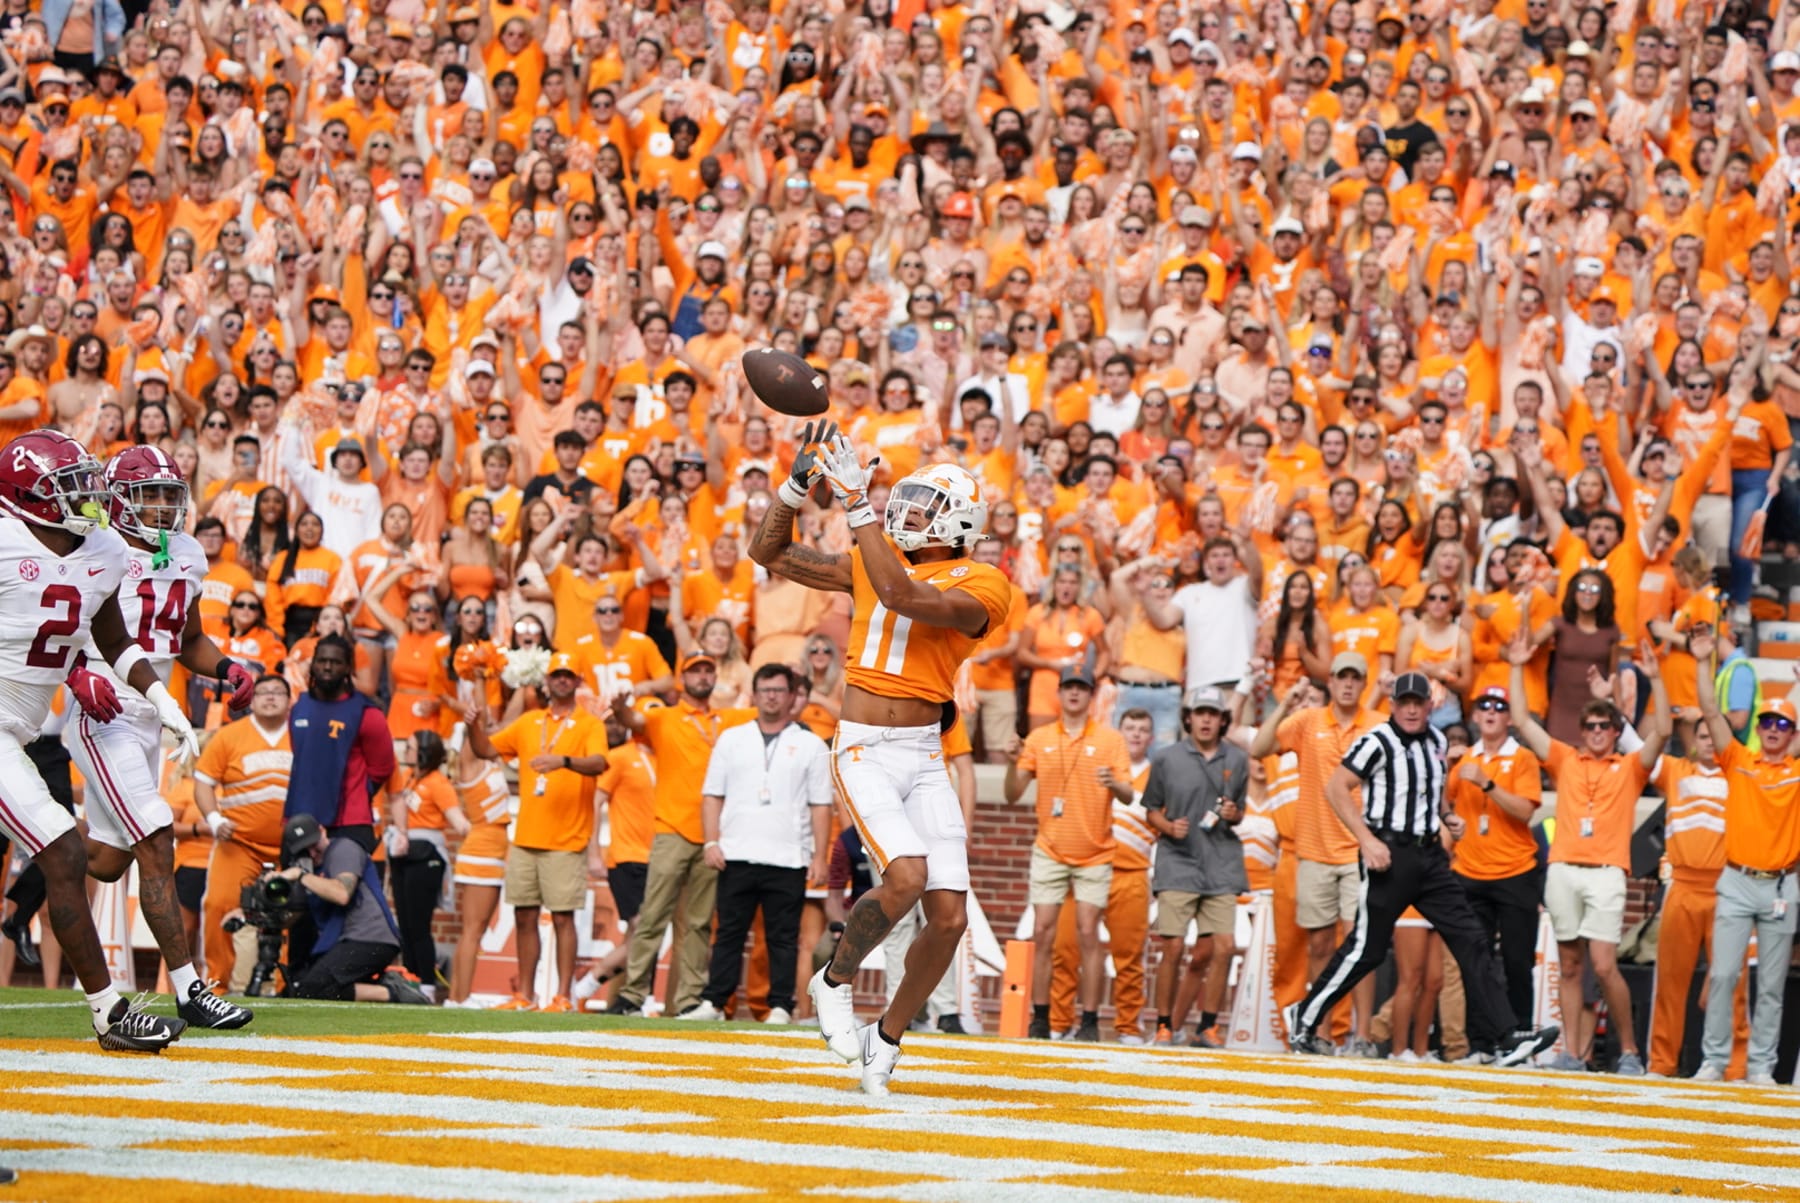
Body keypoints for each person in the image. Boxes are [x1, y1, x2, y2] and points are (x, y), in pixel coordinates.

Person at [748, 425, 1010, 1094]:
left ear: (960, 520)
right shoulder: (872, 554)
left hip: (923, 754)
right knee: (909, 875)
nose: (909, 509)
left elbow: (904, 596)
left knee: (949, 916)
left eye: (925, 502)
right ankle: (834, 979)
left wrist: (859, 506)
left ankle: (886, 1039)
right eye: (909, 497)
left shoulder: (984, 580)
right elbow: (768, 548)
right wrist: (796, 484)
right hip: (863, 745)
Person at [0, 429, 195, 1051]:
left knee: (72, 854)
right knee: (64, 853)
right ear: (28, 494)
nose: (87, 495)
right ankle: (111, 1012)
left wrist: (161, 698)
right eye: (70, 485)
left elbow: (110, 638)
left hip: (21, 730)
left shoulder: (104, 548)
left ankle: (110, 1012)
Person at [65, 446, 255, 1031]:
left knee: (103, 862)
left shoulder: (190, 553)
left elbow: (187, 637)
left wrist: (226, 668)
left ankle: (35, 870)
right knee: (156, 836)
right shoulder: (95, 547)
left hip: (155, 716)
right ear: (118, 499)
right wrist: (78, 674)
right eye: (148, 493)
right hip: (104, 710)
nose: (160, 505)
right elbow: (59, 627)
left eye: (169, 494)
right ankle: (190, 990)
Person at [1284, 670, 1560, 1069]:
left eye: (1419, 702)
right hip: (1388, 854)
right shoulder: (1376, 740)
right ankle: (1305, 1016)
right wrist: (1366, 840)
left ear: (1431, 705)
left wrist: (1447, 817)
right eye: (1404, 702)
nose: (1412, 710)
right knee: (1368, 949)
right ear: (1393, 705)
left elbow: (1431, 790)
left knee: (1471, 938)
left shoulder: (1437, 739)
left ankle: (1506, 1036)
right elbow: (1335, 787)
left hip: (1429, 857)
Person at [1506, 631, 1667, 1075]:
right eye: (1590, 726)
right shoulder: (1564, 759)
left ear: (1616, 733)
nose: (1597, 733)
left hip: (1607, 871)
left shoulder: (1629, 767)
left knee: (1604, 963)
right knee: (1571, 965)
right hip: (1563, 870)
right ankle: (1572, 1054)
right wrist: (1518, 665)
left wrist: (1656, 678)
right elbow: (1521, 719)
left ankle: (1629, 1050)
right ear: (1582, 732)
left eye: (1605, 727)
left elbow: (1665, 732)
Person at [680, 665, 832, 1024]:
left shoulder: (810, 743)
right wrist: (711, 841)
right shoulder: (732, 739)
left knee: (782, 937)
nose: (771, 696)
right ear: (755, 692)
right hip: (737, 851)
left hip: (788, 855)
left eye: (779, 690)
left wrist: (819, 856)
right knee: (729, 932)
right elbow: (712, 795)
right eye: (765, 689)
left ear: (793, 695)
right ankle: (715, 1002)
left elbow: (821, 804)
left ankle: (780, 1004)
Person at [607, 651, 756, 1017]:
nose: (702, 676)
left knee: (699, 923)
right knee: (652, 916)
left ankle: (689, 999)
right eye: (695, 671)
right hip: (672, 830)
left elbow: (778, 714)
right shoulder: (664, 717)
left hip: (713, 834)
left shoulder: (731, 718)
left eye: (708, 670)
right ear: (681, 679)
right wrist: (619, 705)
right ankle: (632, 994)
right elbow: (631, 718)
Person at [1249, 652, 1383, 1055]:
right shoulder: (1308, 722)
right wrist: (1286, 705)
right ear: (1331, 681)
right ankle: (1319, 1032)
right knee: (1321, 946)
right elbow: (1259, 747)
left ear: (1362, 683)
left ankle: (1361, 1036)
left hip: (1360, 851)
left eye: (1354, 677)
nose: (1347, 684)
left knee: (1361, 946)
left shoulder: (1378, 724)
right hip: (1313, 851)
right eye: (1341, 676)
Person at [465, 652, 609, 1012]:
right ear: (546, 681)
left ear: (577, 682)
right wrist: (472, 726)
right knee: (524, 916)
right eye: (556, 675)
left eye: (568, 675)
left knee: (563, 918)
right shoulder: (530, 722)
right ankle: (524, 996)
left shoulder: (589, 725)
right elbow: (485, 749)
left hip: (566, 839)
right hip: (527, 838)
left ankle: (563, 996)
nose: (561, 680)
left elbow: (599, 763)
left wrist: (563, 762)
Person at [1688, 627, 1800, 1086]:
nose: (1773, 730)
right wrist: (1700, 662)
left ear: (1792, 733)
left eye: (1783, 724)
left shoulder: (1797, 772)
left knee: (1771, 987)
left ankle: (1760, 1066)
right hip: (1736, 880)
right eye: (1768, 722)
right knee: (1724, 974)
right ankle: (1714, 1060)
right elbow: (1711, 712)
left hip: (1781, 884)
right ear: (1756, 728)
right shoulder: (1738, 761)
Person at [1003, 664, 1133, 1040]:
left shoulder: (1110, 740)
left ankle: (1089, 1020)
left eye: (1082, 688)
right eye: (1068, 688)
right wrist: (1013, 761)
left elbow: (1128, 793)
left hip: (1096, 850)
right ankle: (1041, 1016)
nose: (1074, 694)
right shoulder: (1039, 738)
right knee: (1042, 932)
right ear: (1058, 694)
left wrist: (1114, 784)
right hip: (1050, 847)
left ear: (1092, 696)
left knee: (1088, 932)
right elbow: (1013, 793)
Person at [1646, 706, 1749, 1079]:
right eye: (1702, 736)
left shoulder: (1741, 774)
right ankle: (1661, 1063)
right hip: (1683, 885)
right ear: (1693, 741)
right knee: (1671, 981)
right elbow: (1637, 749)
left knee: (1732, 983)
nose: (1708, 743)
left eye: (1713, 736)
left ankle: (1736, 1067)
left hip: (1727, 887)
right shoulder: (1676, 770)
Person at [1142, 687, 1248, 1048]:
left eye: (1213, 714)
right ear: (1188, 717)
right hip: (1178, 859)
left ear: (1223, 720)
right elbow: (1151, 808)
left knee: (1224, 946)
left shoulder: (1239, 759)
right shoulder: (1166, 758)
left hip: (1220, 861)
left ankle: (1207, 1027)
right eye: (1200, 713)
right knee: (1172, 948)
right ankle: (1163, 1026)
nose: (1206, 719)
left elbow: (1239, 811)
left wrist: (1235, 815)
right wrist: (1168, 826)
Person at [1444, 685, 1544, 1058]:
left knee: (1517, 962)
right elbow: (1443, 804)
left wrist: (1487, 784)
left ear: (1509, 717)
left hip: (1515, 872)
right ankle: (1480, 1044)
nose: (1490, 711)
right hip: (1470, 872)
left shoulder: (1522, 758)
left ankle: (1521, 1041)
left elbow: (1525, 811)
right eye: (1483, 705)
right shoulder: (1465, 757)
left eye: (1499, 706)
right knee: (1475, 962)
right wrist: (1447, 767)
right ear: (1474, 715)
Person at [278, 814, 426, 1004]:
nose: (313, 853)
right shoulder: (312, 869)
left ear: (323, 831)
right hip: (346, 941)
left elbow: (342, 894)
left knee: (313, 988)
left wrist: (301, 875)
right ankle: (378, 986)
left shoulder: (343, 848)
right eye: (305, 850)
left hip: (371, 938)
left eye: (314, 845)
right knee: (303, 988)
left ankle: (393, 992)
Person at [284, 634, 395, 852]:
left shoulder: (367, 713)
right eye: (321, 661)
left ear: (348, 669)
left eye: (335, 662)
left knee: (345, 885)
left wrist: (355, 793)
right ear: (313, 664)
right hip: (299, 816)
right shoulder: (298, 708)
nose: (327, 667)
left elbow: (382, 769)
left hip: (349, 823)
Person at [385, 731, 468, 1001]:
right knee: (406, 924)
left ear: (423, 751)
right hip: (403, 854)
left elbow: (459, 822)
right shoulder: (409, 777)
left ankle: (428, 986)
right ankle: (410, 980)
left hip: (425, 855)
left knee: (420, 926)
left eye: (409, 747)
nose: (405, 752)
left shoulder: (438, 783)